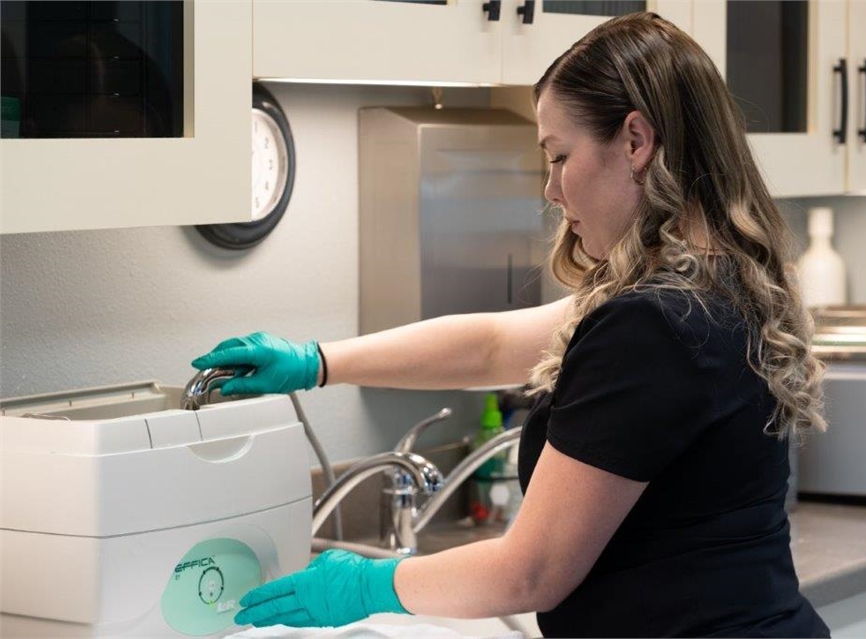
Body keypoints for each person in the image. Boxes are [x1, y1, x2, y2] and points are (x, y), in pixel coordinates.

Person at [191, 12, 830, 638]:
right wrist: (316, 361)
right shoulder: (715, 282)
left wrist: (368, 586)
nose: (550, 190)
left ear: (636, 142)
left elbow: (530, 573)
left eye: (558, 156)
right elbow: (492, 345)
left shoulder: (656, 323)